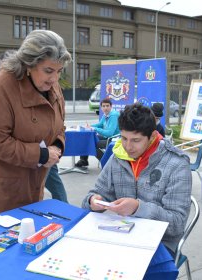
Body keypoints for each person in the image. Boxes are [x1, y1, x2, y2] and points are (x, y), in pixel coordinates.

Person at [0, 30, 71, 219]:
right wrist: (41, 154)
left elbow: (59, 126)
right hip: (0, 186)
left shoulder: (52, 85)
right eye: (48, 71)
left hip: (33, 180)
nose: (55, 79)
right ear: (28, 64)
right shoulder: (2, 86)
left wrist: (56, 146)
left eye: (59, 71)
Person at [81, 103, 192, 256]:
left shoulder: (177, 164)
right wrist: (93, 201)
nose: (128, 146)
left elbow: (177, 225)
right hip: (120, 235)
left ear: (152, 136)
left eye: (136, 140)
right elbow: (92, 196)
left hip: (160, 243)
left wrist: (138, 208)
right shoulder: (117, 157)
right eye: (124, 138)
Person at [76, 98, 120, 167]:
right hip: (107, 137)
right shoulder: (106, 114)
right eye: (104, 106)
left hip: (113, 139)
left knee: (92, 145)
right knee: (86, 139)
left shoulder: (113, 115)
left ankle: (106, 163)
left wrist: (95, 129)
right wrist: (89, 126)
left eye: (107, 106)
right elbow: (100, 125)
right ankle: (83, 161)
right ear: (101, 107)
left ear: (111, 106)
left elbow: (109, 133)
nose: (105, 108)